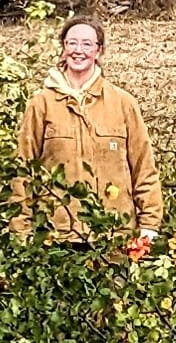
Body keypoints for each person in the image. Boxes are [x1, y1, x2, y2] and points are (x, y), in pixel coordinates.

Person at [16, 17, 163, 241]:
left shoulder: (123, 103)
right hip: (57, 236)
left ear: (98, 50)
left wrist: (149, 224)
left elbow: (143, 167)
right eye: (72, 43)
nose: (78, 51)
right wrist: (21, 229)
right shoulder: (42, 104)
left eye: (86, 44)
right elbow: (23, 170)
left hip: (113, 235)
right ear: (63, 48)